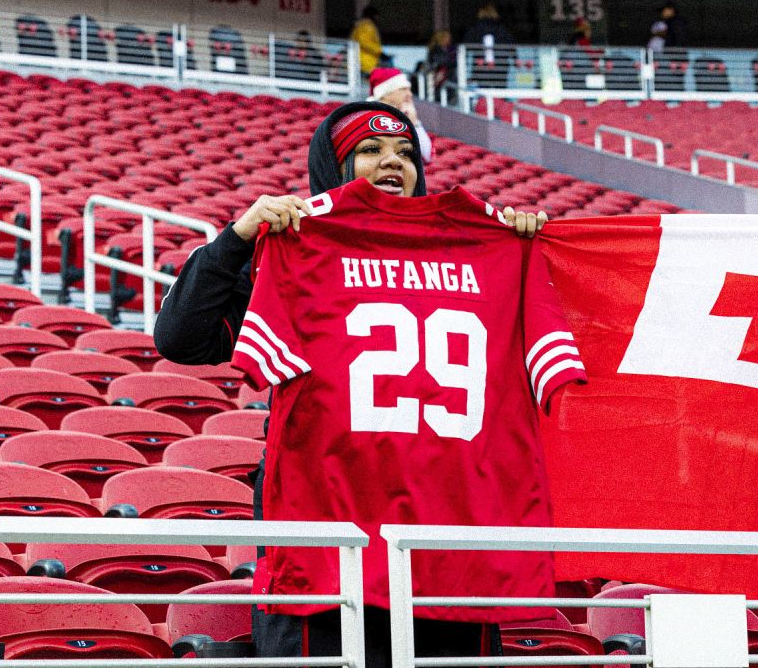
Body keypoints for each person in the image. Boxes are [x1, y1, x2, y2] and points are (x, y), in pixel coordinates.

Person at [153, 102, 550, 662]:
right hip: (327, 531)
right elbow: (180, 337)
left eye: (406, 153)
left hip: (448, 531)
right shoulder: (297, 243)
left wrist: (522, 245)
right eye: (371, 150)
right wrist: (240, 238)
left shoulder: (483, 247)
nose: (393, 162)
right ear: (333, 166)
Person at [368, 66, 433, 163]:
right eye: (403, 89)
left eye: (409, 89)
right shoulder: (368, 117)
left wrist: (414, 123)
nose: (409, 94)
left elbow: (426, 156)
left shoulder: (406, 117)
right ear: (385, 93)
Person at [351, 5, 383, 76]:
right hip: (365, 65)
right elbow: (363, 42)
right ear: (373, 16)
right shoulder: (367, 26)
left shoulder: (361, 25)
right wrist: (379, 51)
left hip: (363, 64)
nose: (378, 19)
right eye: (377, 16)